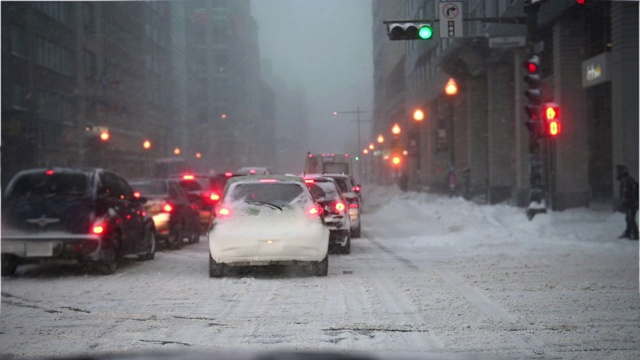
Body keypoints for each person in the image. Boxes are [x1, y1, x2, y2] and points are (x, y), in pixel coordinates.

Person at [616, 164, 638, 240]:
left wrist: (623, 203)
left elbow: (626, 193)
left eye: (618, 172)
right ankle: (629, 232)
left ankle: (634, 234)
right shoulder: (628, 180)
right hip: (633, 203)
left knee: (630, 218)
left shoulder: (626, 181)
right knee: (629, 218)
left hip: (631, 203)